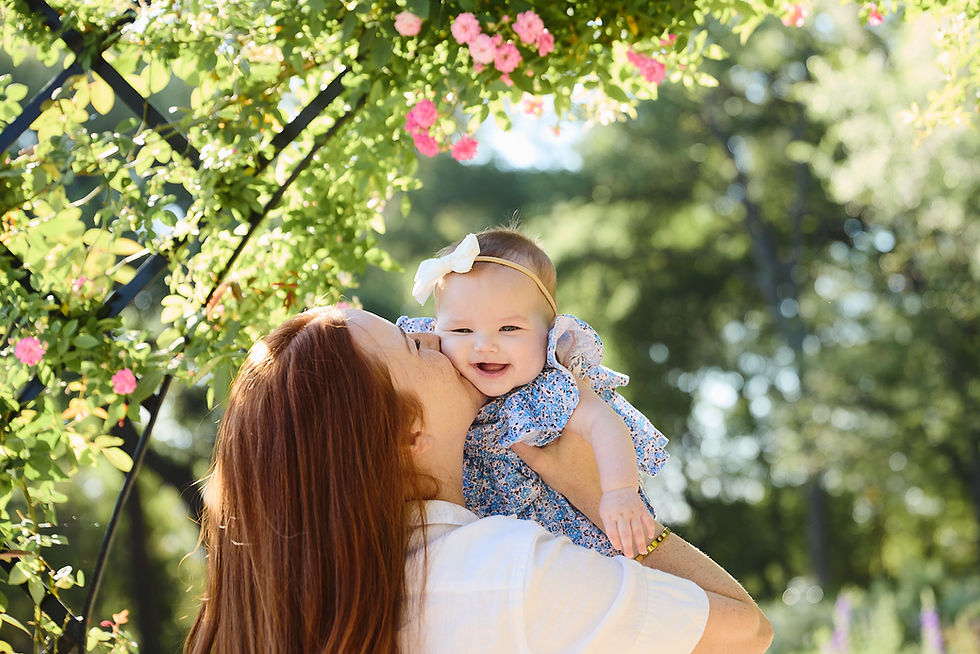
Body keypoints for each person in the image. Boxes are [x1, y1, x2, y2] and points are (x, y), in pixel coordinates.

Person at [184, 305, 773, 653]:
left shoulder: (312, 609)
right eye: (416, 345)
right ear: (408, 433)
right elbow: (745, 633)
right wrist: (596, 495)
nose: (443, 338)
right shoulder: (513, 572)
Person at [400, 228, 665, 557]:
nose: (485, 345)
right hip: (480, 550)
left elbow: (604, 424)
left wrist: (619, 491)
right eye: (462, 330)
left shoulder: (548, 388)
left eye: (508, 328)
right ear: (436, 331)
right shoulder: (435, 383)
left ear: (548, 334)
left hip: (566, 544)